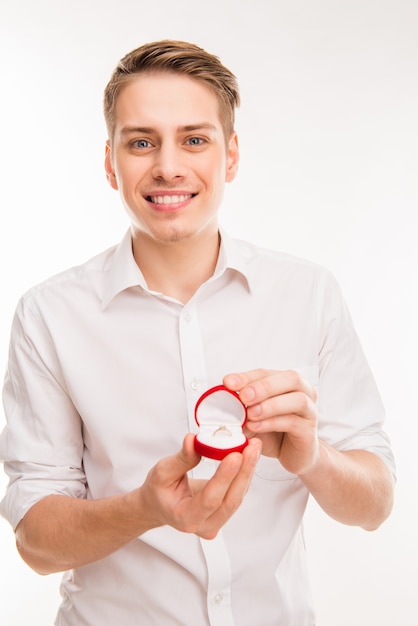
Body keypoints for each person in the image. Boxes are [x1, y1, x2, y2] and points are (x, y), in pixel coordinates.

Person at [0, 40, 395, 626]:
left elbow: (375, 505)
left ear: (230, 156)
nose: (167, 166)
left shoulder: (308, 293)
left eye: (194, 139)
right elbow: (36, 543)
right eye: (140, 142)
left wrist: (314, 457)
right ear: (110, 162)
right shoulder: (50, 315)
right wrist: (144, 509)